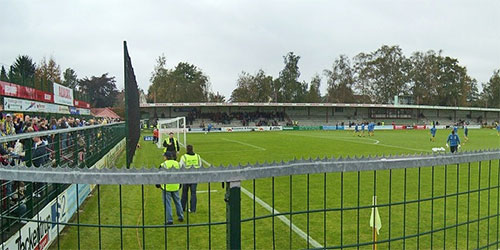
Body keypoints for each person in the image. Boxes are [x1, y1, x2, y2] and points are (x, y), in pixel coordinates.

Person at [156, 152, 184, 225]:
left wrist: (158, 184)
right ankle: (181, 216)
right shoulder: (177, 164)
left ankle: (169, 220)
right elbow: (181, 175)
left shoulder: (163, 165)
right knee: (177, 201)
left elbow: (159, 176)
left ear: (166, 157)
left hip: (166, 186)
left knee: (167, 204)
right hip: (176, 185)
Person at [180, 145, 202, 213]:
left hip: (186, 177)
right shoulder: (197, 156)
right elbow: (200, 165)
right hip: (194, 177)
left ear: (186, 149)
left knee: (184, 193)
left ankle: (183, 207)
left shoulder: (184, 157)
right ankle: (193, 209)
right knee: (193, 193)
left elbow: (180, 166)